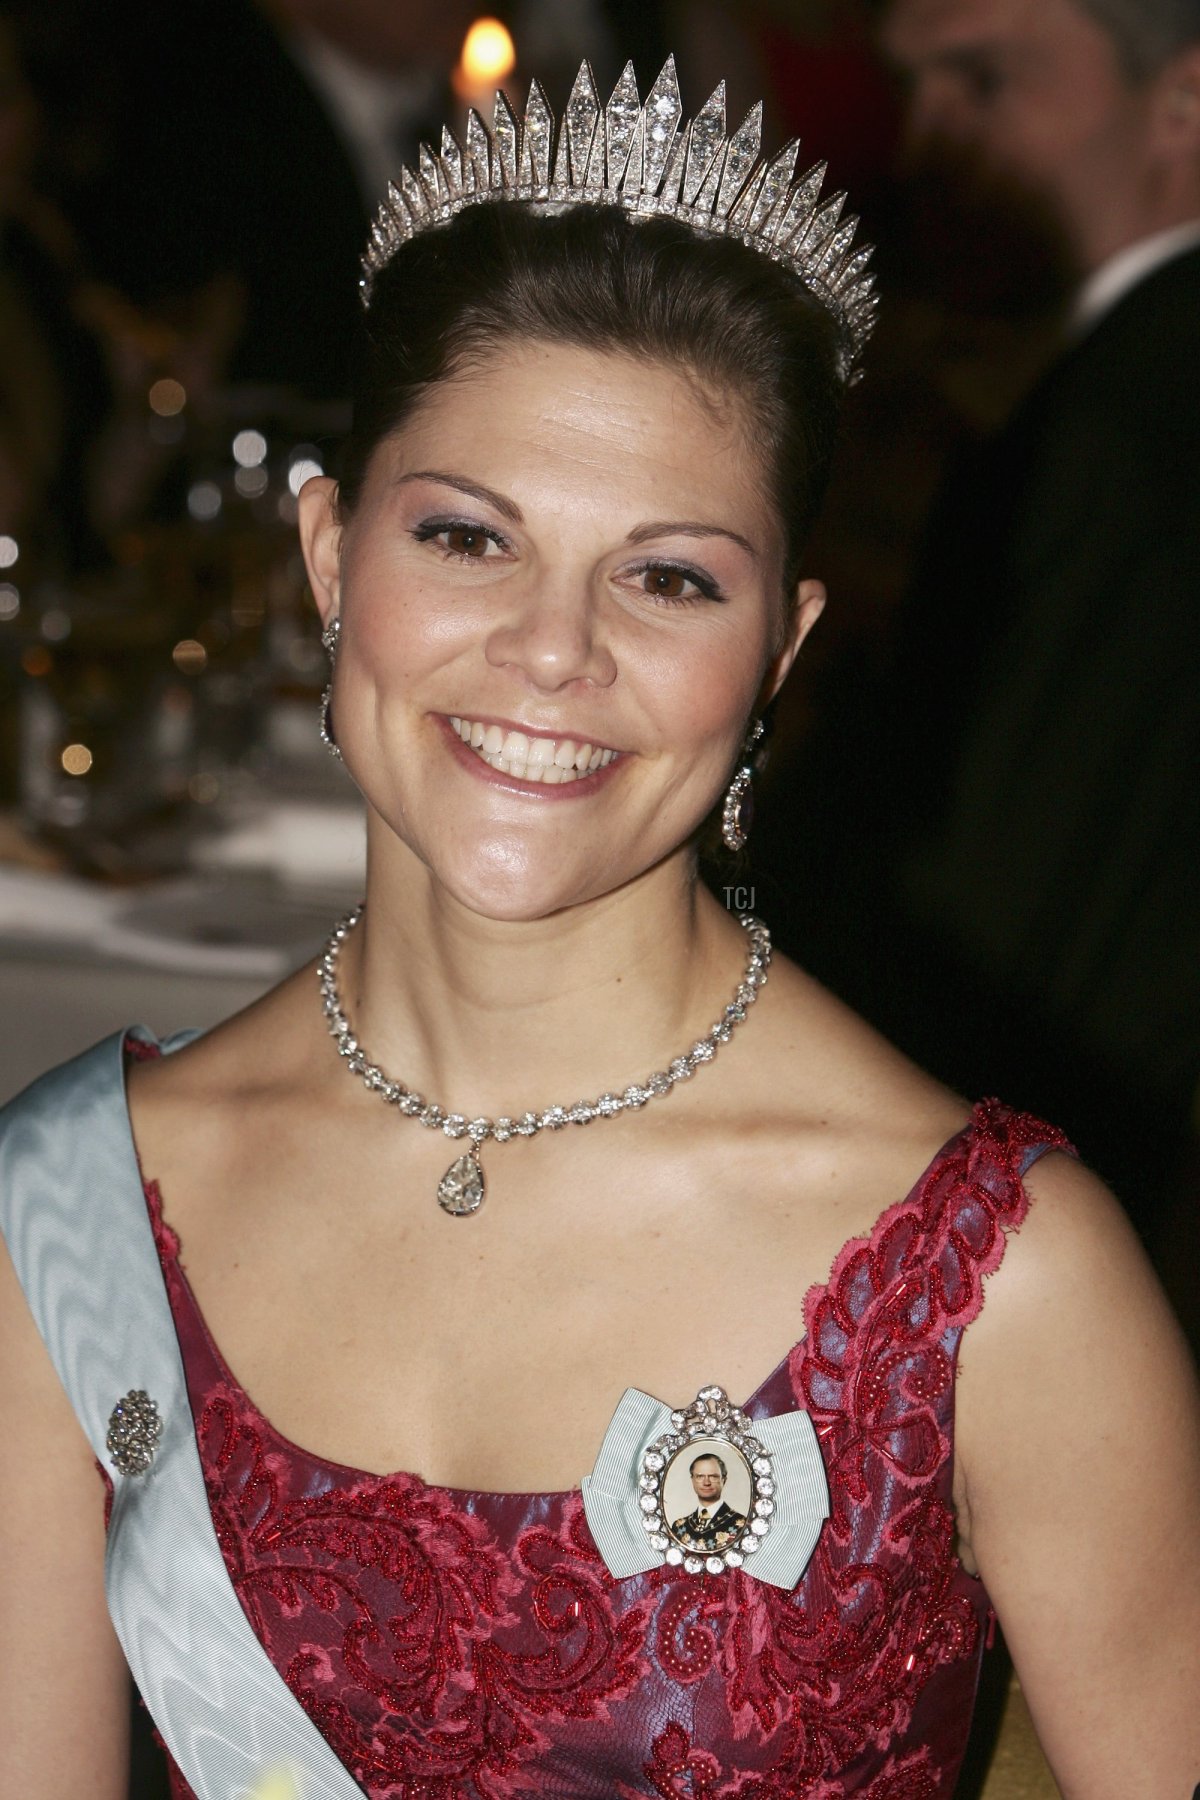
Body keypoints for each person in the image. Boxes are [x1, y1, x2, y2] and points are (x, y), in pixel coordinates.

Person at [1, 57, 1198, 1800]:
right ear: (330, 559)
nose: (554, 650)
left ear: (780, 650)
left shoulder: (1006, 1283)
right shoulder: (72, 1215)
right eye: (468, 538)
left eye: (668, 577)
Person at [809, 0, 1200, 1259]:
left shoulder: (1130, 435)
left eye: (982, 82)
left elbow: (1020, 927)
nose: (925, 145)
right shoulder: (1105, 384)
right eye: (910, 90)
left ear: (1184, 102)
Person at [669, 1453, 748, 1554]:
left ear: (723, 1480)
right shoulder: (679, 1527)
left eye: (713, 1476)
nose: (706, 1482)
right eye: (700, 1476)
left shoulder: (741, 1525)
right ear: (692, 1480)